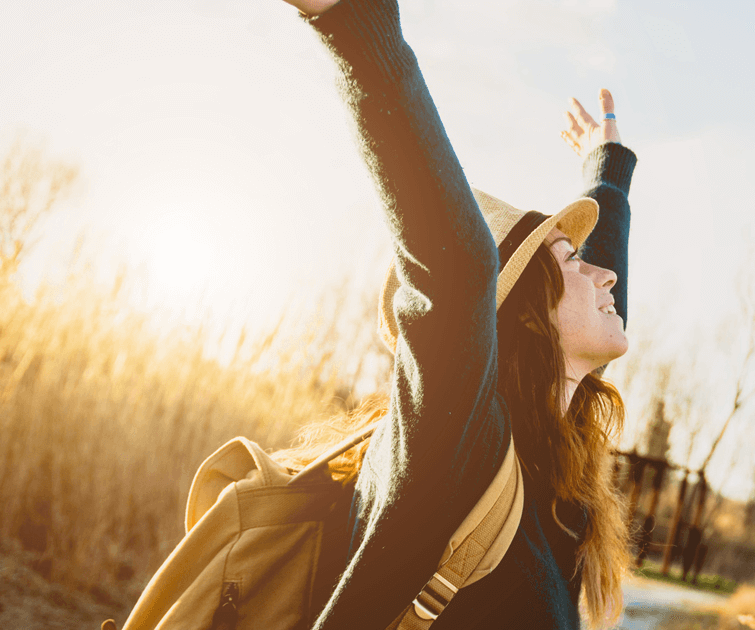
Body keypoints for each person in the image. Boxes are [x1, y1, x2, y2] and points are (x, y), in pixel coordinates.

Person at [272, 0, 640, 627]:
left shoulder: (551, 475)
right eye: (570, 261)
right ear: (521, 316)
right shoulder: (452, 451)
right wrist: (354, 22)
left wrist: (606, 176)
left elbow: (602, 313)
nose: (602, 272)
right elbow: (457, 268)